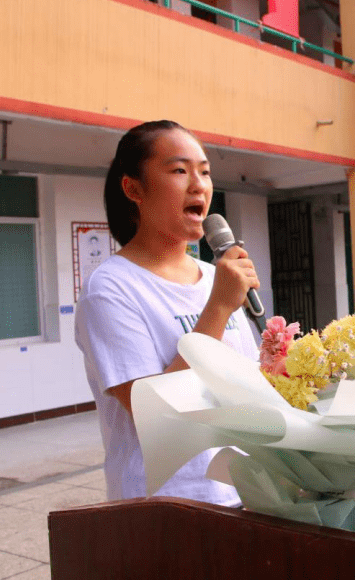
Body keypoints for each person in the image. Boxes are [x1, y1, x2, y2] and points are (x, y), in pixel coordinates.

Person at [75, 120, 260, 504]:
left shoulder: (216, 277)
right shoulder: (110, 289)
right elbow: (157, 415)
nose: (199, 185)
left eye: (205, 172)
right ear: (134, 189)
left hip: (251, 494)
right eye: (179, 170)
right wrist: (220, 307)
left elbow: (252, 387)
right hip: (170, 509)